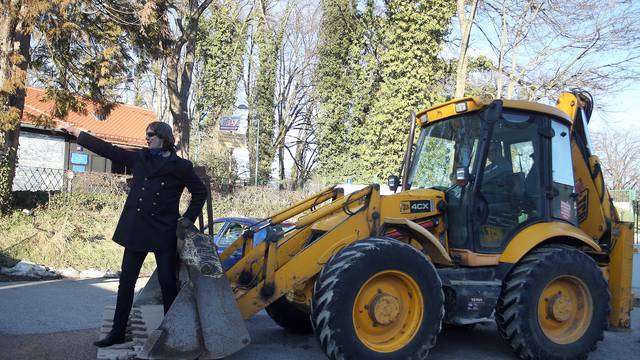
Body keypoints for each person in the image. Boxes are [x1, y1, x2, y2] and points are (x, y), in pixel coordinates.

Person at [58, 120, 207, 347]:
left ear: (164, 138)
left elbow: (200, 193)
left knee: (168, 284)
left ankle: (171, 334)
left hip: (163, 232)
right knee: (126, 282)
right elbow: (108, 150)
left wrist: (186, 221)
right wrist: (79, 133)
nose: (147, 138)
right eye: (146, 134)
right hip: (137, 229)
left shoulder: (181, 166)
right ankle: (117, 332)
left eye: (151, 135)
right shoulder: (140, 158)